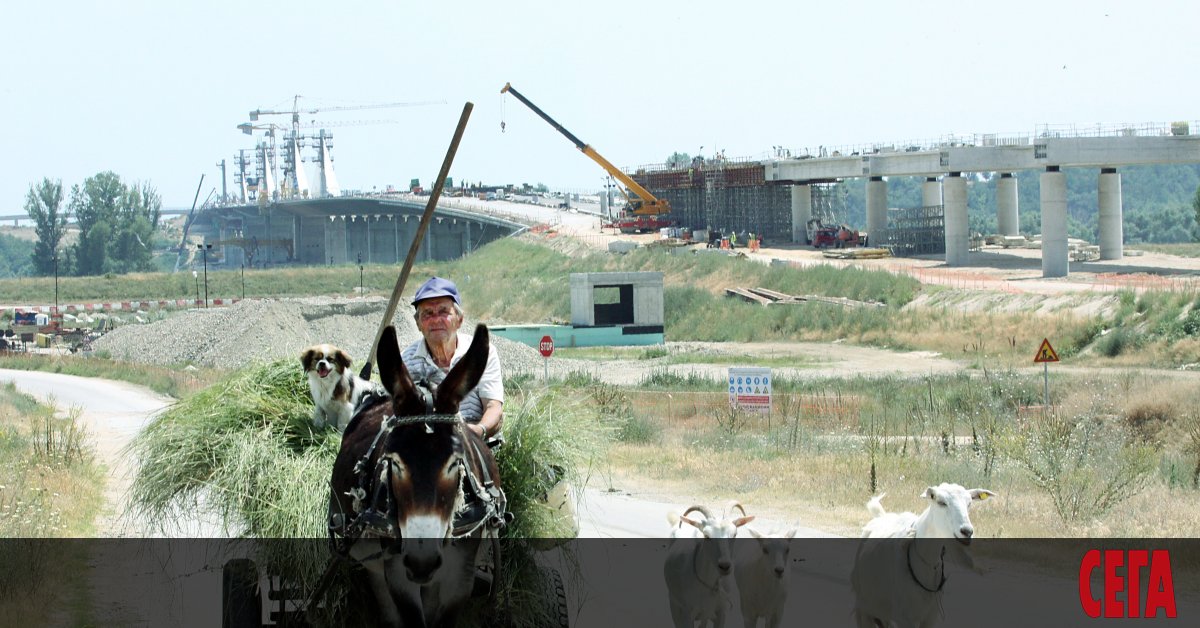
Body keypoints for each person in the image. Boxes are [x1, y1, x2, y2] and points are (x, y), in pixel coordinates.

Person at [402, 276, 504, 441]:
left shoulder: (481, 353)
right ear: (418, 324)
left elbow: (493, 407)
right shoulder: (406, 361)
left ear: (459, 320)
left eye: (443, 311)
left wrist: (476, 432)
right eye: (427, 313)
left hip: (476, 444)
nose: (436, 319)